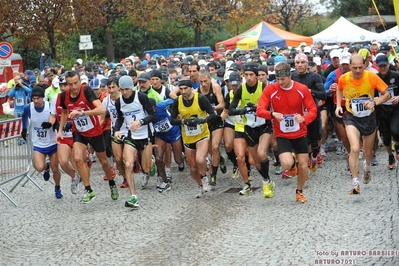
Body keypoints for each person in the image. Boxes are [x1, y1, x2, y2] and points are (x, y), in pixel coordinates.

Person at [257, 62, 318, 203]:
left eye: (283, 79)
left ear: (290, 76)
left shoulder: (301, 89)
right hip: (282, 134)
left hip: (299, 132)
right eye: (277, 79)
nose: (280, 82)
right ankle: (291, 166)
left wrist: (304, 118)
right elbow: (259, 110)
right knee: (285, 164)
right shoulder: (270, 90)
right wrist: (272, 114)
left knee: (303, 165)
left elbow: (313, 110)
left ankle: (299, 191)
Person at [56, 71, 118, 203]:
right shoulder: (63, 96)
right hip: (78, 131)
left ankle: (112, 182)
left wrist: (82, 112)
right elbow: (65, 112)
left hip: (94, 131)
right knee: (78, 159)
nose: (73, 87)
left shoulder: (87, 91)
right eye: (70, 84)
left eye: (75, 83)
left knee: (104, 162)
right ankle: (89, 190)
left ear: (80, 82)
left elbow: (101, 110)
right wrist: (60, 131)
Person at [335, 54, 390, 195]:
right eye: (355, 68)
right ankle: (355, 182)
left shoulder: (371, 77)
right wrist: (338, 105)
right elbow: (339, 88)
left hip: (368, 117)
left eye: (360, 67)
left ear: (365, 65)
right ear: (350, 66)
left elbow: (387, 94)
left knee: (368, 152)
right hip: (351, 116)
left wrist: (375, 102)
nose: (358, 70)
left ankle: (367, 167)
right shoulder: (344, 78)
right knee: (354, 148)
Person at [229, 62, 274, 198]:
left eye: (251, 75)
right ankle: (267, 180)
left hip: (264, 126)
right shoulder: (240, 90)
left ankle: (266, 182)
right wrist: (244, 110)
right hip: (249, 128)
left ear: (256, 76)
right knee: (255, 161)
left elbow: (274, 107)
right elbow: (231, 110)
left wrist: (259, 109)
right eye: (246, 75)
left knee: (261, 153)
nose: (249, 78)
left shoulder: (265, 88)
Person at [170, 79, 218, 198]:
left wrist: (202, 120)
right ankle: (200, 185)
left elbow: (212, 114)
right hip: (187, 137)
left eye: (186, 88)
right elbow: (172, 120)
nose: (183, 91)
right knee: (192, 168)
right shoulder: (177, 101)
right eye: (181, 89)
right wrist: (183, 121)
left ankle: (205, 176)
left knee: (200, 159)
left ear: (191, 88)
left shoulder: (200, 98)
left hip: (202, 134)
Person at [113, 76, 156, 208]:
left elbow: (153, 115)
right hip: (131, 136)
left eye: (127, 89)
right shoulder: (119, 101)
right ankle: (133, 196)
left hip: (145, 135)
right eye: (122, 90)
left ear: (132, 87)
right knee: (128, 164)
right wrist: (116, 130)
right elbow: (120, 118)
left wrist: (140, 122)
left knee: (146, 168)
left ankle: (151, 162)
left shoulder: (141, 97)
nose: (124, 92)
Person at [21, 86, 62, 198]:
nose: (35, 101)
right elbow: (24, 116)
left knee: (55, 168)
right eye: (33, 98)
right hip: (38, 143)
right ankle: (46, 167)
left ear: (43, 98)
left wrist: (55, 124)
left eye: (38, 98)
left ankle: (57, 187)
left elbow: (57, 117)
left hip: (52, 142)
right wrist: (24, 128)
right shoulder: (28, 108)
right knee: (39, 167)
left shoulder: (49, 106)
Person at [291, 53, 326, 173]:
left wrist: (309, 91)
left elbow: (323, 94)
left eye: (302, 62)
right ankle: (302, 165)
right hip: (296, 114)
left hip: (311, 112)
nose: (300, 65)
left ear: (307, 64)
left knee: (314, 141)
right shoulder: (291, 77)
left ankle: (315, 156)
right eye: (297, 63)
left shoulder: (314, 76)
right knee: (301, 141)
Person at [49, 75, 80, 195]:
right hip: (63, 134)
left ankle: (87, 186)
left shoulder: (77, 96)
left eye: (65, 85)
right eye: (61, 86)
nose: (63, 88)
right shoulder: (55, 98)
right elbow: (53, 115)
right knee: (62, 162)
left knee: (78, 159)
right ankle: (74, 177)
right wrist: (50, 123)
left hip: (77, 133)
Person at [197, 69, 226, 186]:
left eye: (206, 81)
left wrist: (211, 110)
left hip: (216, 120)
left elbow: (222, 104)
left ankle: (213, 175)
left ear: (210, 79)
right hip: (205, 123)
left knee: (215, 147)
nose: (204, 84)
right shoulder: (196, 92)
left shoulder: (215, 88)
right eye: (201, 82)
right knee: (210, 150)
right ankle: (220, 159)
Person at [150, 97, 184, 192]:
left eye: (151, 109)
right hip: (161, 135)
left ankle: (182, 156)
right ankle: (165, 181)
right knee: (158, 158)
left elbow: (175, 100)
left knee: (178, 160)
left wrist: (176, 114)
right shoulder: (146, 113)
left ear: (155, 107)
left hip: (173, 132)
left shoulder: (161, 105)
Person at [374, 54, 399, 169]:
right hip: (382, 110)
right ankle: (390, 155)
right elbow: (371, 94)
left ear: (388, 64)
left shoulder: (396, 76)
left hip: (395, 109)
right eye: (380, 66)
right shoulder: (375, 78)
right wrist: (374, 99)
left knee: (396, 130)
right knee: (386, 137)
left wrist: (398, 97)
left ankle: (397, 147)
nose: (383, 68)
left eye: (384, 65)